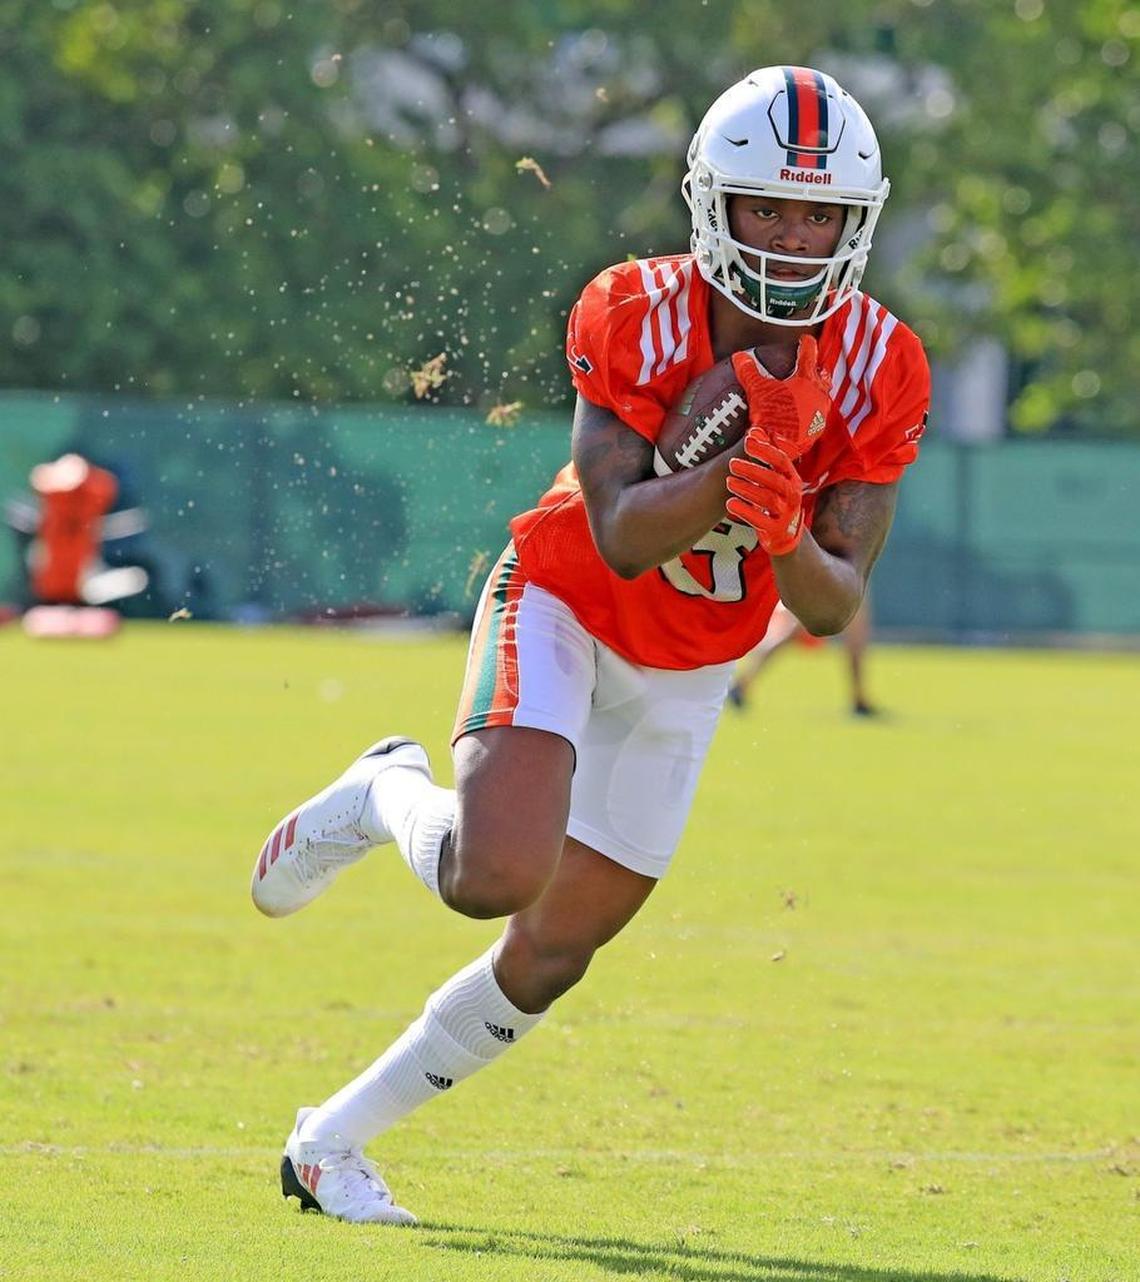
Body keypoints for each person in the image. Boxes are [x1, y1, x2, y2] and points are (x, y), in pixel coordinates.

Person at [250, 64, 930, 1225]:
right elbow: (616, 530)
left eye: (818, 212)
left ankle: (328, 1144)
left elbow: (826, 604)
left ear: (854, 223)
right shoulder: (632, 307)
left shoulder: (882, 362)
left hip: (695, 660)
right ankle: (383, 793)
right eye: (767, 205)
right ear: (714, 203)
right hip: (567, 602)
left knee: (553, 952)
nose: (793, 234)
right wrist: (735, 468)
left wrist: (775, 525)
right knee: (493, 876)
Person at [727, 593, 880, 716]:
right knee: (854, 635)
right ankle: (742, 683)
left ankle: (859, 698)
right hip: (835, 571)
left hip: (840, 570)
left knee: (855, 635)